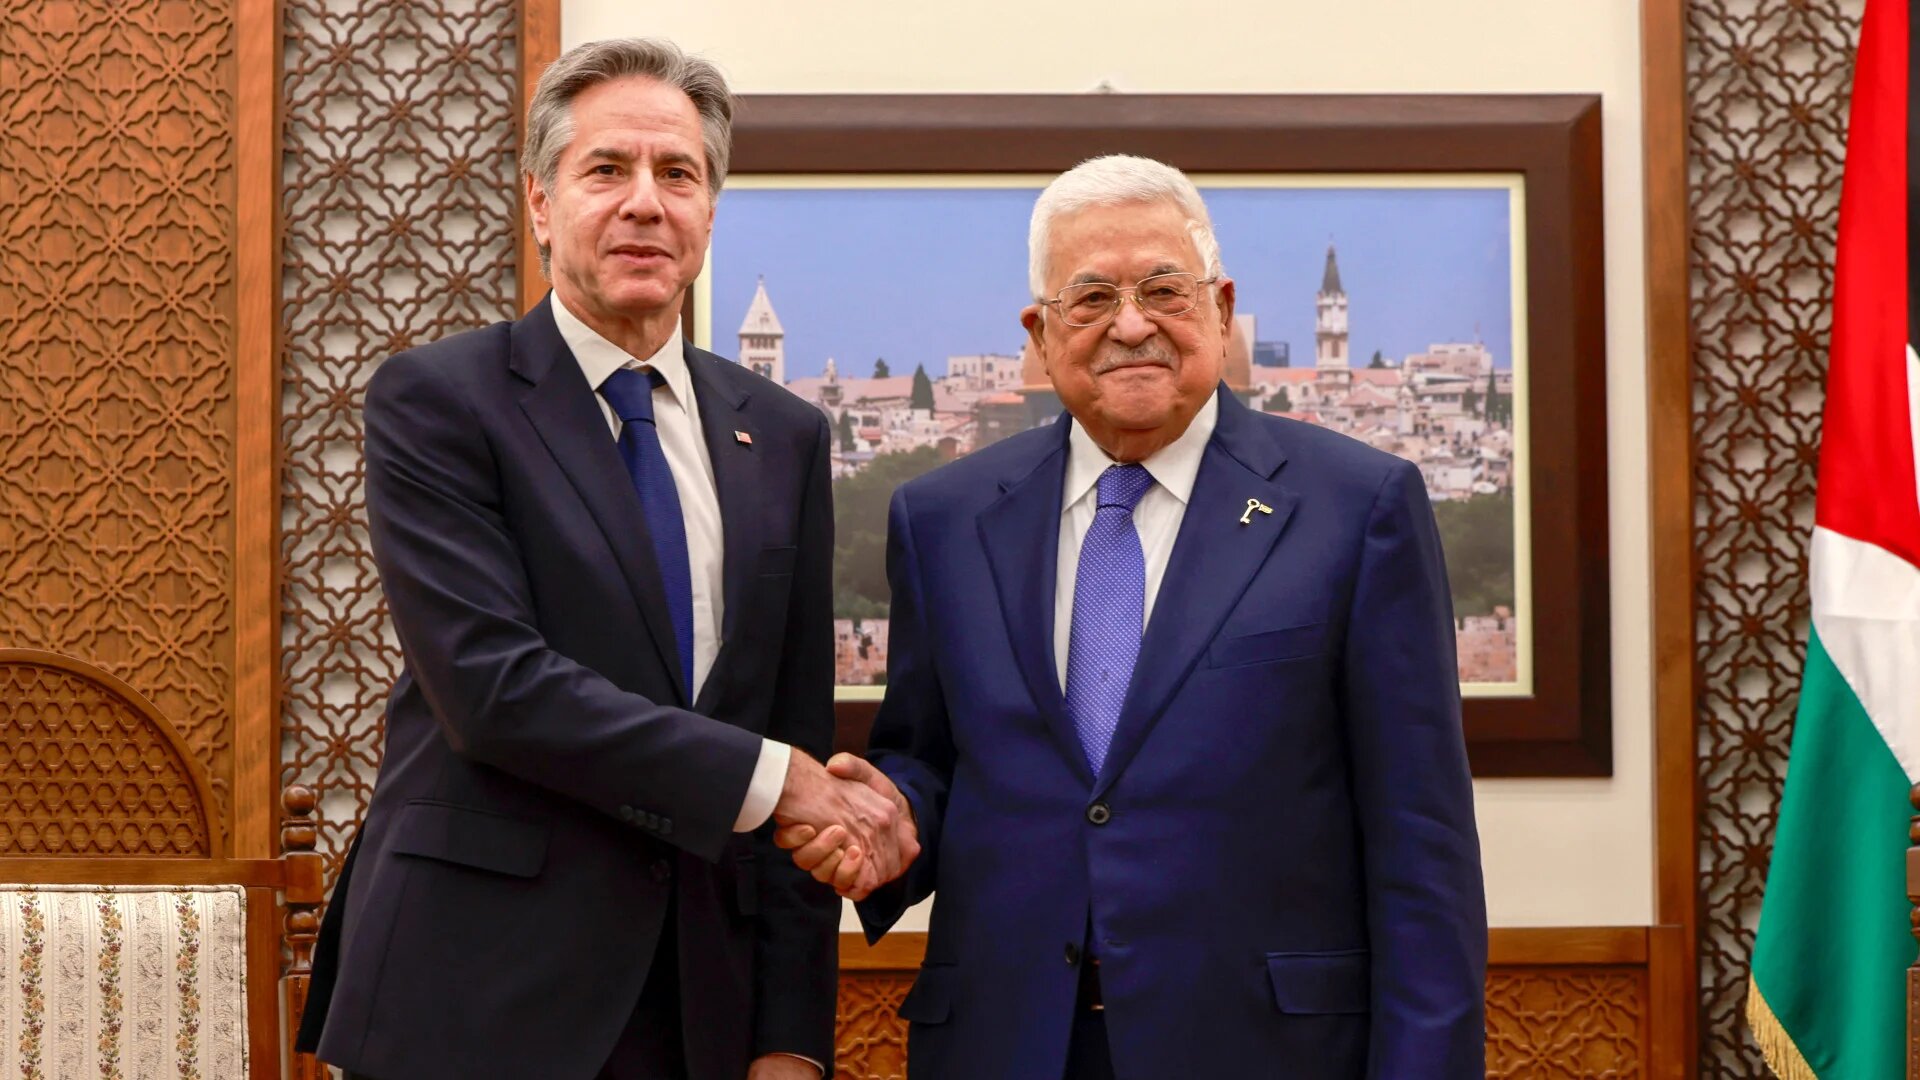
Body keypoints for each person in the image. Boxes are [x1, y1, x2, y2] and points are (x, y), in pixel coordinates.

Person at [781, 154, 1487, 1078]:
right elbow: (937, 759)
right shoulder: (944, 519)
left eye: (1164, 289)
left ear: (1222, 308)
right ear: (1039, 332)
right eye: (1090, 298)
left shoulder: (1358, 508)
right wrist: (889, 822)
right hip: (1006, 1042)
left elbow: (1421, 847)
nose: (1131, 324)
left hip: (1267, 1048)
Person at [296, 38, 909, 1080]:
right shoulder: (440, 400)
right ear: (540, 203)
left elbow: (792, 725)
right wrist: (776, 782)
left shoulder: (785, 434)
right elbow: (494, 689)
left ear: (710, 212)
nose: (644, 203)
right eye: (607, 170)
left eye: (678, 174)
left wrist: (792, 1040)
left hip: (701, 1008)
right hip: (476, 995)